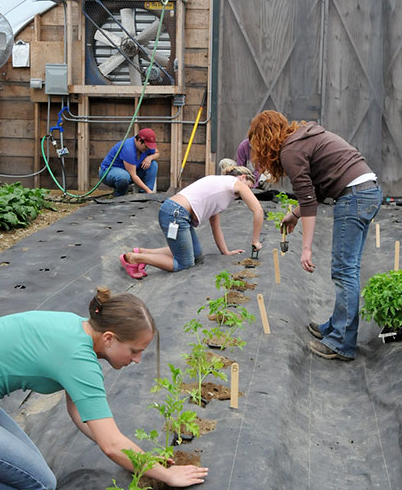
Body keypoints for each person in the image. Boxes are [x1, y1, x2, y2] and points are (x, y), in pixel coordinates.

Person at [0, 287, 208, 490]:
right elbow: (111, 445)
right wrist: (166, 475)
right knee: (40, 485)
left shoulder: (77, 327)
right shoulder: (78, 359)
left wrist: (144, 463)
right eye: (134, 351)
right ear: (109, 338)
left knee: (26, 467)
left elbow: (79, 412)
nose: (137, 360)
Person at [248, 110, 382, 361]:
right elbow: (318, 189)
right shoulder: (302, 138)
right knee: (347, 268)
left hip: (354, 196)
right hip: (368, 191)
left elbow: (309, 199)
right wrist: (295, 214)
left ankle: (342, 342)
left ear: (265, 139)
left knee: (344, 270)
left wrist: (306, 248)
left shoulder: (290, 151)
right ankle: (336, 327)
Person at [119, 165, 263, 278]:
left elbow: (215, 225)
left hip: (175, 212)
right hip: (175, 214)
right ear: (242, 177)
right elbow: (258, 211)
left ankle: (143, 251)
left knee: (196, 254)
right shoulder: (236, 184)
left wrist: (226, 252)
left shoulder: (221, 187)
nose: (247, 192)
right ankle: (136, 258)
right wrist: (255, 240)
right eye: (249, 187)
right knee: (185, 262)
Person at [99, 128, 159, 196]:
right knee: (123, 176)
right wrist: (149, 191)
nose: (148, 149)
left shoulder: (144, 146)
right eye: (146, 146)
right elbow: (133, 175)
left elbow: (157, 153)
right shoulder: (128, 149)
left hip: (129, 172)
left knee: (153, 165)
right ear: (139, 140)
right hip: (109, 172)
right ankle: (119, 196)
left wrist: (150, 157)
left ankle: (145, 195)